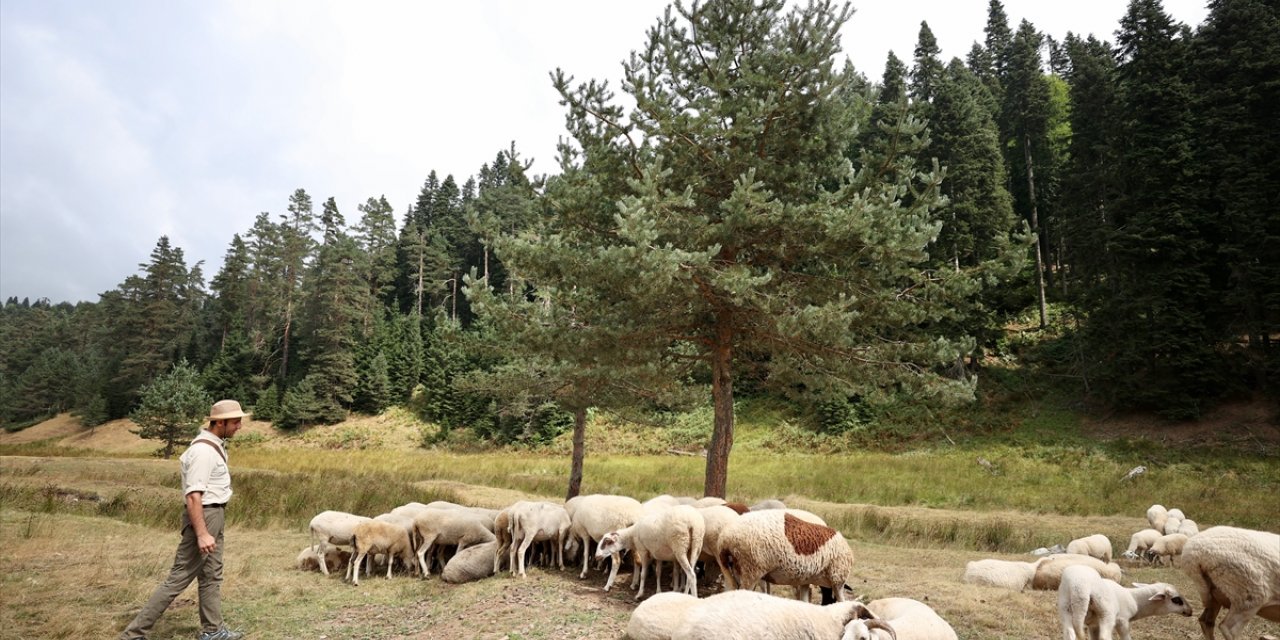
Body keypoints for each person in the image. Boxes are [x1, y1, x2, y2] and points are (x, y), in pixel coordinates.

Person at [119, 399, 248, 640]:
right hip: (205, 515)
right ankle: (133, 634)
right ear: (220, 422)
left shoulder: (213, 445)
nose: (239, 426)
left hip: (214, 514)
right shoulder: (202, 451)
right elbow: (193, 497)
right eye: (236, 421)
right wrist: (202, 533)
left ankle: (213, 631)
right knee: (179, 577)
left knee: (211, 574)